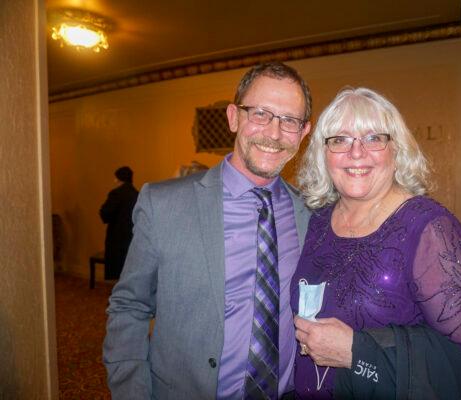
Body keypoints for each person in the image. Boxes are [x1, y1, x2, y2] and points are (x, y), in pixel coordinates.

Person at [103, 62, 312, 400]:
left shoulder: (312, 213)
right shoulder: (163, 204)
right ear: (234, 117)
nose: (274, 133)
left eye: (289, 120)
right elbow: (130, 306)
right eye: (260, 113)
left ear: (304, 133)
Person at [292, 87, 461, 398]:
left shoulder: (429, 230)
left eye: (373, 138)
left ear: (397, 150)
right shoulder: (316, 222)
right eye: (339, 139)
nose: (356, 152)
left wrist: (359, 353)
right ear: (322, 154)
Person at [99, 166, 139, 280]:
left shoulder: (116, 194)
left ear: (118, 178)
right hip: (132, 236)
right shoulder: (137, 194)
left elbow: (105, 214)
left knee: (117, 269)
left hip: (117, 236)